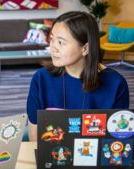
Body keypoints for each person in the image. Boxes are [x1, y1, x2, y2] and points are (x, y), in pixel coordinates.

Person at [27, 11, 129, 141]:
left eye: (61, 42)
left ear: (85, 48)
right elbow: (34, 139)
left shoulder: (116, 84)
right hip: (52, 158)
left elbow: (117, 140)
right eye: (52, 39)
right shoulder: (41, 79)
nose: (53, 47)